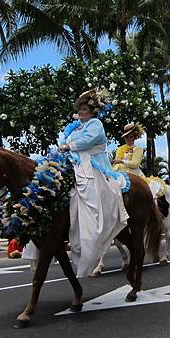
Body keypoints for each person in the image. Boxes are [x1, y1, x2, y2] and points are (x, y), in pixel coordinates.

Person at [58, 88, 129, 278]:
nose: (81, 112)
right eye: (79, 110)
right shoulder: (75, 127)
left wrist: (68, 146)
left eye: (84, 109)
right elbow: (65, 140)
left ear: (92, 111)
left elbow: (87, 142)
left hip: (93, 166)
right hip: (74, 164)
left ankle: (93, 233)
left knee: (89, 195)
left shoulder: (95, 124)